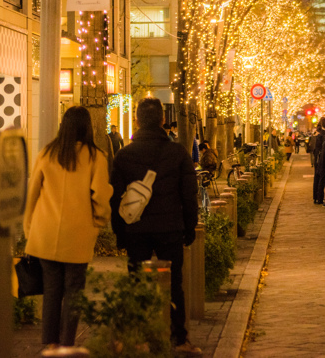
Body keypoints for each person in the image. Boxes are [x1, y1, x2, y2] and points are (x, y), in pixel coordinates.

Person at [110, 98, 201, 356]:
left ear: (137, 120)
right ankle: (179, 339)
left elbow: (115, 196)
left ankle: (138, 337)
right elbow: (189, 193)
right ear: (162, 120)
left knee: (136, 282)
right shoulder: (177, 152)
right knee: (174, 284)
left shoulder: (124, 155)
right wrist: (189, 226)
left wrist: (119, 232)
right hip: (169, 227)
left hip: (135, 229)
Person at [24, 106, 112, 351]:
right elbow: (101, 198)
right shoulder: (96, 157)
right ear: (88, 127)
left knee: (51, 290)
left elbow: (32, 195)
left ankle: (50, 344)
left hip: (45, 234)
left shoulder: (47, 153)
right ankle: (66, 344)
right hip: (77, 235)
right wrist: (98, 222)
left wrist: (29, 229)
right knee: (74, 291)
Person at [311, 117, 325, 205]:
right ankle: (320, 197)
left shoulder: (316, 132)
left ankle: (316, 197)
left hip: (316, 157)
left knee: (317, 178)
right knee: (322, 178)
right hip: (321, 158)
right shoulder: (323, 134)